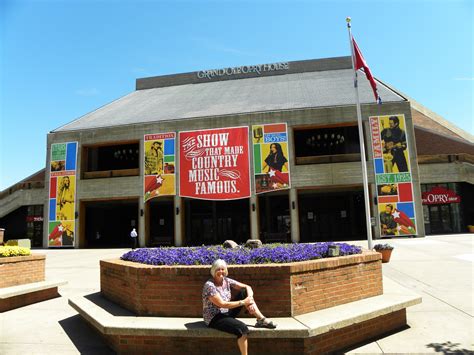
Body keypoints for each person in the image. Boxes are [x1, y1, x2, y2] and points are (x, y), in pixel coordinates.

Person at [203, 259, 276, 355]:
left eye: (222, 269)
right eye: (218, 269)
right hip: (214, 317)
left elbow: (247, 287)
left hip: (226, 312)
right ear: (213, 271)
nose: (221, 271)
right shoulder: (209, 286)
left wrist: (249, 302)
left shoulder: (227, 281)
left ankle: (261, 319)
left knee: (244, 292)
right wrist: (243, 302)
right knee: (243, 329)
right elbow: (222, 304)